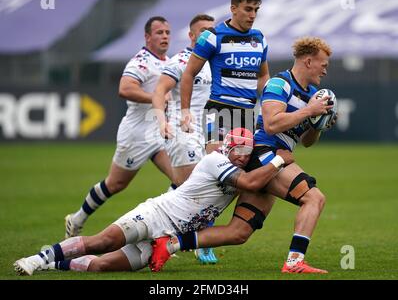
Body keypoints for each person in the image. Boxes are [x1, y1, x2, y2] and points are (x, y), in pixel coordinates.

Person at [150, 36, 337, 274]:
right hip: (264, 152)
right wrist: (310, 111)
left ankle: (170, 244)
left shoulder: (311, 93)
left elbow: (308, 143)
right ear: (308, 61)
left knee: (239, 232)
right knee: (314, 198)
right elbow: (270, 124)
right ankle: (294, 262)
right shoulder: (280, 84)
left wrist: (317, 124)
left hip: (277, 158)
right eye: (323, 64)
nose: (325, 69)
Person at [14, 128, 294, 275]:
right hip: (156, 215)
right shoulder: (216, 160)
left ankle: (54, 265)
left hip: (168, 237)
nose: (244, 157)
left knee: (101, 266)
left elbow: (255, 185)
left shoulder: (240, 168)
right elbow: (249, 184)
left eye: (248, 153)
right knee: (103, 241)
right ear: (228, 148)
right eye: (240, 151)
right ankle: (36, 259)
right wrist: (281, 160)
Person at [64, 16, 175, 239]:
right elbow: (125, 88)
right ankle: (76, 219)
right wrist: (155, 97)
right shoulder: (140, 62)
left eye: (167, 32)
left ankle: (165, 234)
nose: (164, 36)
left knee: (182, 180)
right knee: (115, 184)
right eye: (159, 32)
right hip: (137, 135)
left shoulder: (168, 61)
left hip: (160, 133)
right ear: (147, 37)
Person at [152, 14, 218, 263]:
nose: (208, 34)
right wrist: (162, 121)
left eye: (211, 30)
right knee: (198, 188)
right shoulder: (181, 60)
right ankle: (201, 241)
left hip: (210, 132)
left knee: (188, 189)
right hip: (185, 130)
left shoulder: (216, 61)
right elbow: (159, 90)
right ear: (191, 36)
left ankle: (156, 229)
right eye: (202, 31)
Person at [180, 0, 270, 154]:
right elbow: (189, 73)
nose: (252, 15)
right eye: (248, 9)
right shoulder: (212, 36)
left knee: (239, 169)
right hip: (220, 109)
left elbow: (263, 76)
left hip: (248, 112)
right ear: (233, 9)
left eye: (256, 10)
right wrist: (185, 111)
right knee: (218, 165)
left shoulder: (259, 39)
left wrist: (268, 105)